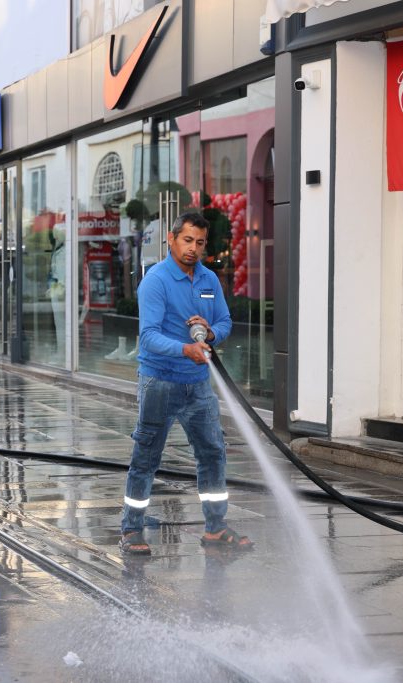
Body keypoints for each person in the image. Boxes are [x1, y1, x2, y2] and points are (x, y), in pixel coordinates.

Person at [120, 211, 253, 555]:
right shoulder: (156, 281)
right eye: (187, 240)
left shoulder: (208, 280)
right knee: (147, 457)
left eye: (200, 242)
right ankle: (131, 529)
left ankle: (215, 527)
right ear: (172, 239)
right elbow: (148, 337)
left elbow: (224, 321)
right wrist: (185, 349)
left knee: (212, 453)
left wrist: (211, 333)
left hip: (198, 385)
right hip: (159, 383)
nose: (193, 248)